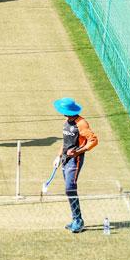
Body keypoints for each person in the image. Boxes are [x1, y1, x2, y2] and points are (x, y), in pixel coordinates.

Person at [52, 98, 98, 233]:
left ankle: (78, 220)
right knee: (69, 190)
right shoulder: (66, 122)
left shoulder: (82, 124)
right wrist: (58, 156)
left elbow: (94, 141)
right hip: (66, 159)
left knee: (70, 188)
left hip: (75, 160)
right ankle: (75, 219)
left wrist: (78, 151)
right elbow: (65, 142)